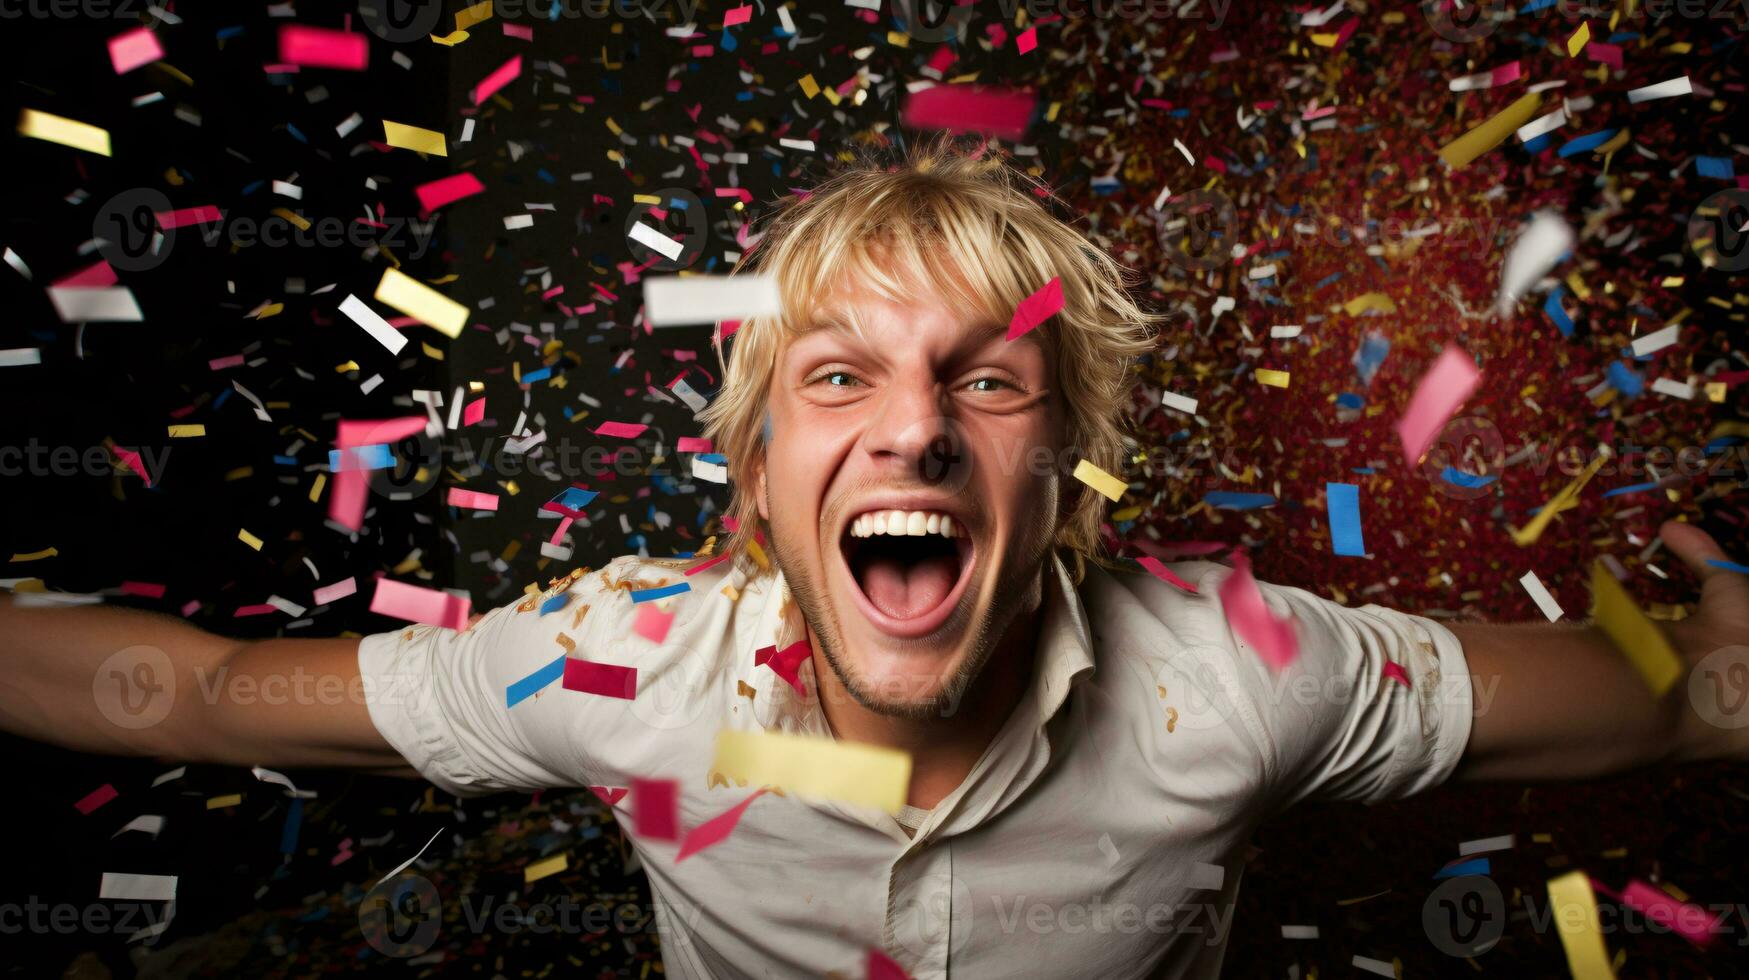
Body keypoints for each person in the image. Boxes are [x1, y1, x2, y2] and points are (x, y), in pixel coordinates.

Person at [3, 146, 1745, 980]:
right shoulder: (619, 668)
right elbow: (209, 691)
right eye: (837, 378)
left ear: (1061, 469)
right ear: (756, 479)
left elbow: (1661, 707)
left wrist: (1728, 675)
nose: (912, 431)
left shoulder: (1238, 670)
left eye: (985, 381)